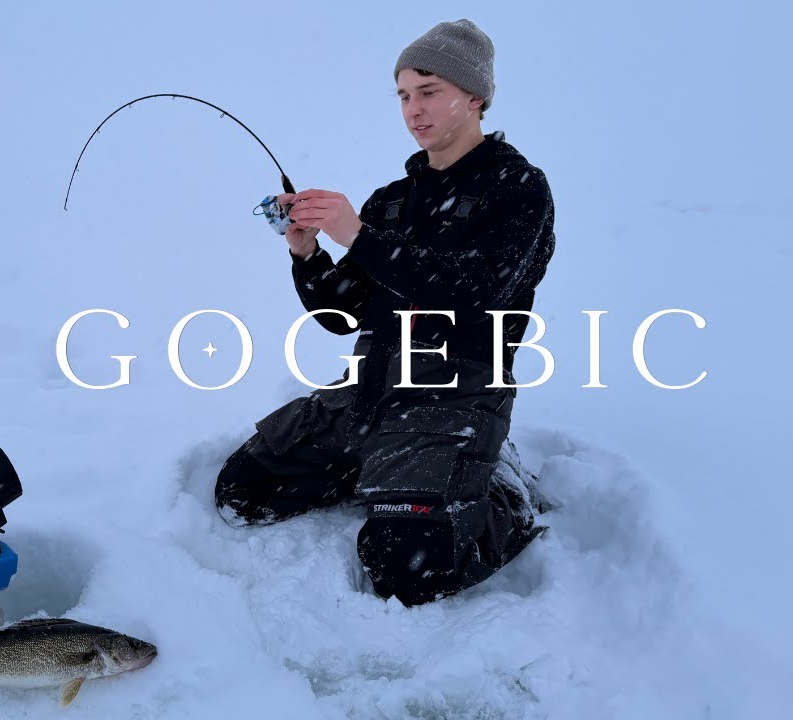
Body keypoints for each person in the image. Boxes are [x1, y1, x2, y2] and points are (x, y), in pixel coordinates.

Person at [215, 19, 556, 606]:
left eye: (429, 91)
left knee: (406, 569)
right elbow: (342, 313)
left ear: (475, 97)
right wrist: (307, 252)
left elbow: (470, 293)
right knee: (242, 493)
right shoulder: (392, 202)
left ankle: (500, 490)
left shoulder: (517, 188)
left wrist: (358, 235)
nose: (413, 110)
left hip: (455, 397)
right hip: (370, 392)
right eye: (403, 95)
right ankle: (388, 468)